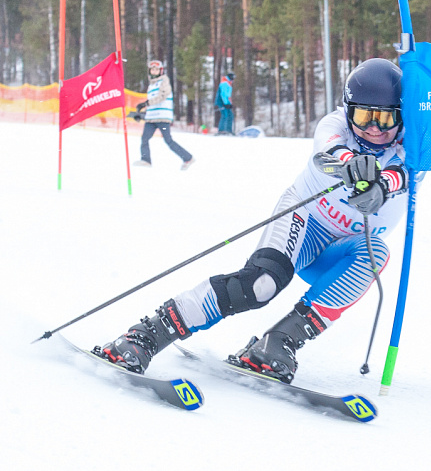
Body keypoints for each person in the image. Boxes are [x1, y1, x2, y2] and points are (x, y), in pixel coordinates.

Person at [97, 58, 411, 384]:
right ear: (348, 111)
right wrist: (351, 165)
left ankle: (277, 344)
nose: (374, 128)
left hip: (340, 252)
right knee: (261, 286)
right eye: (363, 116)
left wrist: (383, 185)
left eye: (385, 118)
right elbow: (327, 154)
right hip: (305, 221)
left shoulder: (413, 144)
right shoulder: (335, 125)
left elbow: (404, 171)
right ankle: (148, 334)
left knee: (376, 253)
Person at [133, 60, 195, 170]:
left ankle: (188, 158)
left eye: (156, 69)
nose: (154, 71)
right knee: (144, 138)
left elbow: (162, 96)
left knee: (168, 140)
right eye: (152, 69)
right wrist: (142, 113)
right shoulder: (151, 85)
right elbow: (152, 102)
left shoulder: (164, 81)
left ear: (160, 71)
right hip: (151, 118)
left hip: (162, 118)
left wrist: (146, 103)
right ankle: (146, 160)